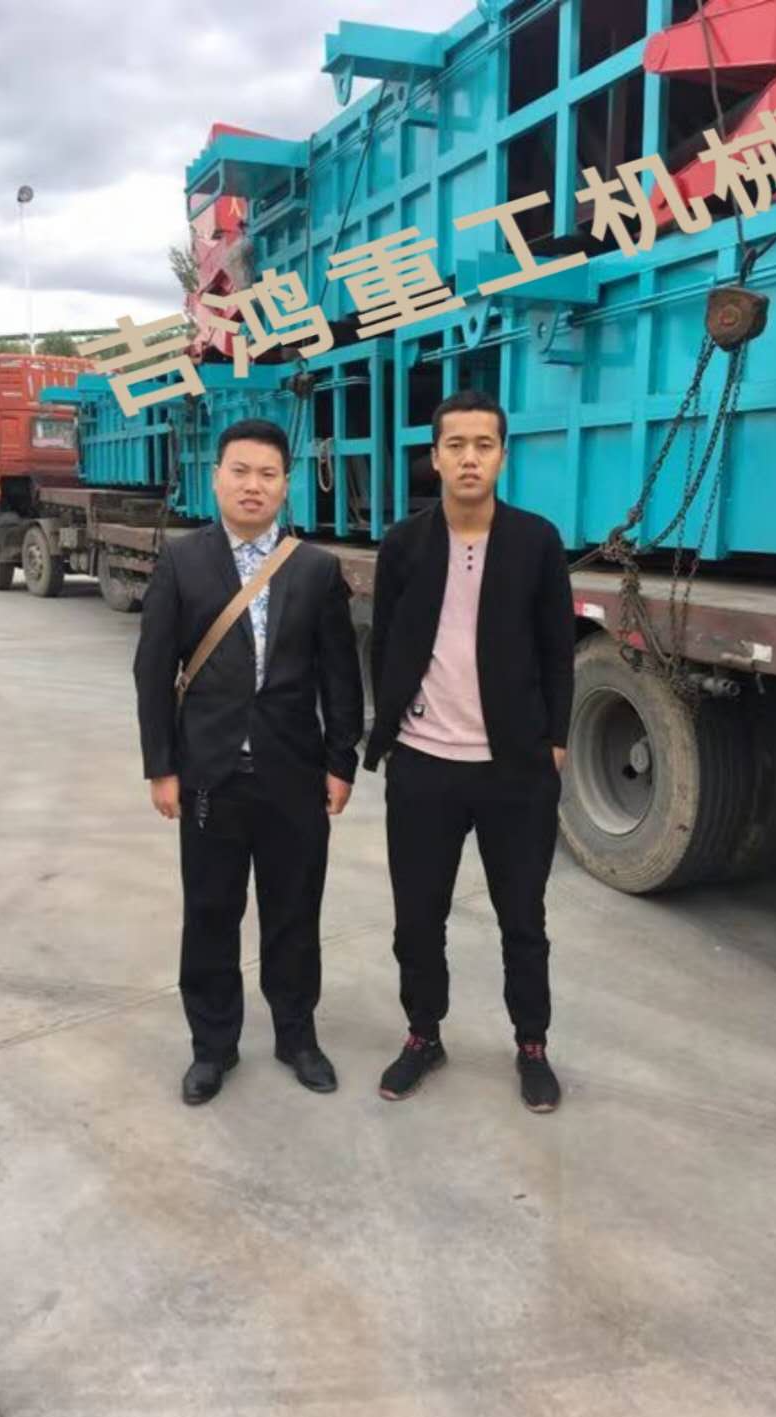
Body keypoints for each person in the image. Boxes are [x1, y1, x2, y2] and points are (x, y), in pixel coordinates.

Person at [134, 418, 364, 1106]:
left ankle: (297, 1036)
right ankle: (213, 1047)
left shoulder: (314, 569)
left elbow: (340, 676)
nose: (253, 486)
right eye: (240, 471)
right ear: (216, 478)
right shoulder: (183, 561)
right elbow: (153, 670)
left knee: (294, 913)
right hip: (210, 776)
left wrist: (341, 762)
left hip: (294, 776)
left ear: (285, 486)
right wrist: (161, 767)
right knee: (210, 914)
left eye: (267, 474)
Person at [363, 390, 575, 1113]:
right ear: (435, 457)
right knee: (417, 919)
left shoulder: (536, 542)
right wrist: (394, 727)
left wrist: (555, 742)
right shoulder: (405, 544)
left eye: (484, 445)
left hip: (514, 770)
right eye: (455, 445)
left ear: (502, 456)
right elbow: (385, 643)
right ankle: (424, 1035)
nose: (469, 459)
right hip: (424, 765)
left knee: (524, 920)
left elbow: (557, 650)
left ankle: (532, 1045)